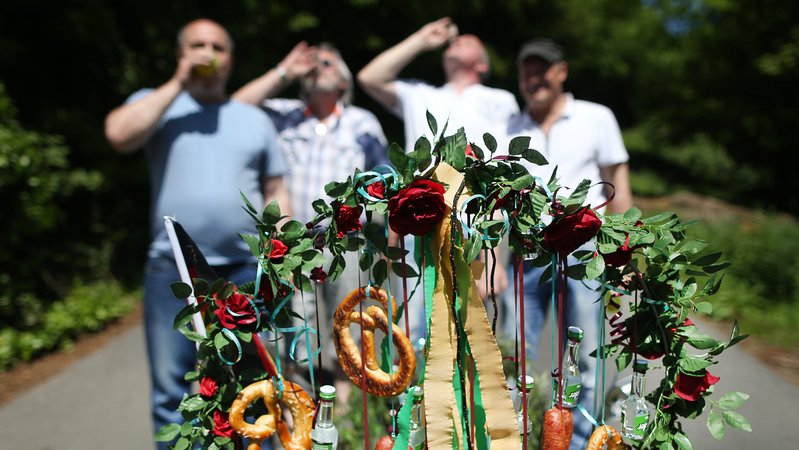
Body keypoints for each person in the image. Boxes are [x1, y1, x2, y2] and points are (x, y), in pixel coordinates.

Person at [104, 18, 290, 450]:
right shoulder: (156, 104)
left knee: (251, 388)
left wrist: (280, 253)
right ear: (180, 54)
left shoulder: (253, 119)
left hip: (243, 272)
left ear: (231, 59)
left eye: (218, 47)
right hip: (172, 273)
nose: (209, 53)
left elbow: (276, 190)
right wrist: (178, 82)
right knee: (172, 392)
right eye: (197, 45)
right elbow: (118, 134)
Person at [233, 41, 389, 398]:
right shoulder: (283, 115)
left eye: (330, 63)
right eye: (314, 64)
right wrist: (285, 70)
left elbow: (384, 178)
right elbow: (236, 108)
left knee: (349, 320)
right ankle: (306, 404)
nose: (320, 65)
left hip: (346, 242)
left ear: (345, 84)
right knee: (299, 328)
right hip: (291, 243)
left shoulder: (360, 122)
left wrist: (386, 238)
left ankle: (350, 413)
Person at [501, 38, 634, 450]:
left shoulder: (597, 117)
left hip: (587, 252)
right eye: (527, 70)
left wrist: (625, 255)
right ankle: (510, 437)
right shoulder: (510, 128)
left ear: (562, 71)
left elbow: (621, 190)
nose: (534, 78)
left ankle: (580, 443)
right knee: (512, 351)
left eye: (543, 69)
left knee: (586, 355)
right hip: (527, 251)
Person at [357, 17, 517, 342]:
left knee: (477, 330)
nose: (456, 42)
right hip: (422, 218)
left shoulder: (501, 100)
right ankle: (417, 391)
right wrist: (421, 38)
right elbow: (369, 77)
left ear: (482, 63)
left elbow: (503, 181)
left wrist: (496, 256)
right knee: (417, 323)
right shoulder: (418, 94)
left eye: (468, 40)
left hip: (477, 221)